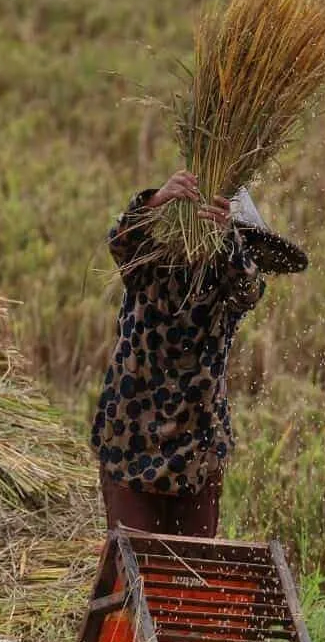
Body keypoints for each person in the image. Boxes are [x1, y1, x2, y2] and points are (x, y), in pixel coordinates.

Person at [91, 169, 308, 539]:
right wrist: (154, 202)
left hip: (198, 446)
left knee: (190, 575)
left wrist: (227, 240)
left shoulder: (230, 286)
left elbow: (248, 289)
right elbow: (121, 244)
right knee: (134, 570)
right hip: (131, 437)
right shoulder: (149, 268)